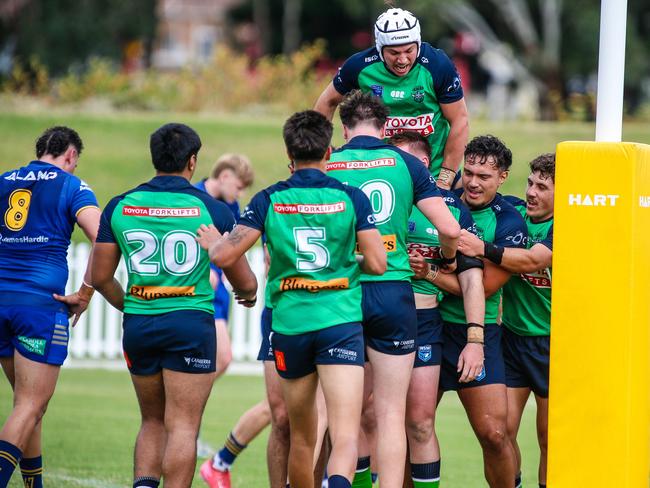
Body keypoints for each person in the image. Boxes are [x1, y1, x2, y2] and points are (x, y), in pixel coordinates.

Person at [196, 109, 387, 488]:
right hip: (339, 323)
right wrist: (344, 261)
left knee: (302, 436)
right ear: (329, 152)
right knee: (346, 433)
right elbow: (379, 264)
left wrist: (219, 248)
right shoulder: (351, 198)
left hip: (290, 326)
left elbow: (223, 256)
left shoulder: (268, 199)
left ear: (290, 155)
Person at [89, 123, 257, 488]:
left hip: (139, 326)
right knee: (183, 425)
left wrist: (133, 306)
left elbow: (100, 277)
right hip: (190, 325)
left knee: (151, 420)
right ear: (193, 162)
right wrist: (249, 294)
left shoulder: (120, 205)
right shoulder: (214, 210)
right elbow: (245, 281)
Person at [326, 90, 460, 487]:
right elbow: (449, 229)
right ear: (384, 128)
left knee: (343, 417)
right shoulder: (406, 164)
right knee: (389, 414)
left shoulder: (329, 163)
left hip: (342, 293)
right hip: (392, 292)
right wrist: (448, 261)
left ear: (345, 128)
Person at [0, 126, 100, 488]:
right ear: (71, 155)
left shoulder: (4, 180)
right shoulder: (72, 185)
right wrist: (86, 291)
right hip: (39, 307)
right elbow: (103, 237)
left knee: (28, 407)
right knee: (29, 405)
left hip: (2, 302)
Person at [389, 131, 485, 488]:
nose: (391, 167)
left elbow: (472, 279)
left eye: (399, 159)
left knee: (420, 422)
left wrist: (476, 339)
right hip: (373, 318)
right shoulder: (376, 199)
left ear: (423, 164)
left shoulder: (450, 208)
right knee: (367, 417)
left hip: (425, 321)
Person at [434, 134, 526, 487]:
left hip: (478, 332)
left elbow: (484, 288)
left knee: (494, 434)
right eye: (468, 172)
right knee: (416, 427)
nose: (472, 182)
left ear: (502, 177)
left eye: (484, 176)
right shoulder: (437, 204)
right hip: (429, 326)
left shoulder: (508, 223)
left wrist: (430, 273)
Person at [459, 153, 555, 488]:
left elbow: (531, 260)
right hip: (512, 339)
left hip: (552, 345)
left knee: (549, 439)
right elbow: (465, 186)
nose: (531, 192)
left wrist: (481, 247)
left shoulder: (564, 226)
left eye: (542, 187)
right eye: (530, 182)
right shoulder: (513, 213)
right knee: (501, 433)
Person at [314, 7, 469, 190]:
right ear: (380, 49)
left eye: (409, 51)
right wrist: (320, 156)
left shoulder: (438, 65)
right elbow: (327, 102)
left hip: (432, 174)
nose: (402, 60)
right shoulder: (360, 65)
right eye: (394, 53)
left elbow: (460, 119)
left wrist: (444, 180)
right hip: (379, 174)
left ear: (418, 44)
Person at [195, 153, 255, 377]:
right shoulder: (193, 197)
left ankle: (183, 406)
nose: (239, 194)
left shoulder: (231, 206)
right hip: (194, 288)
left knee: (220, 358)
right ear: (225, 175)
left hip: (218, 292)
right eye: (238, 187)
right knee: (220, 356)